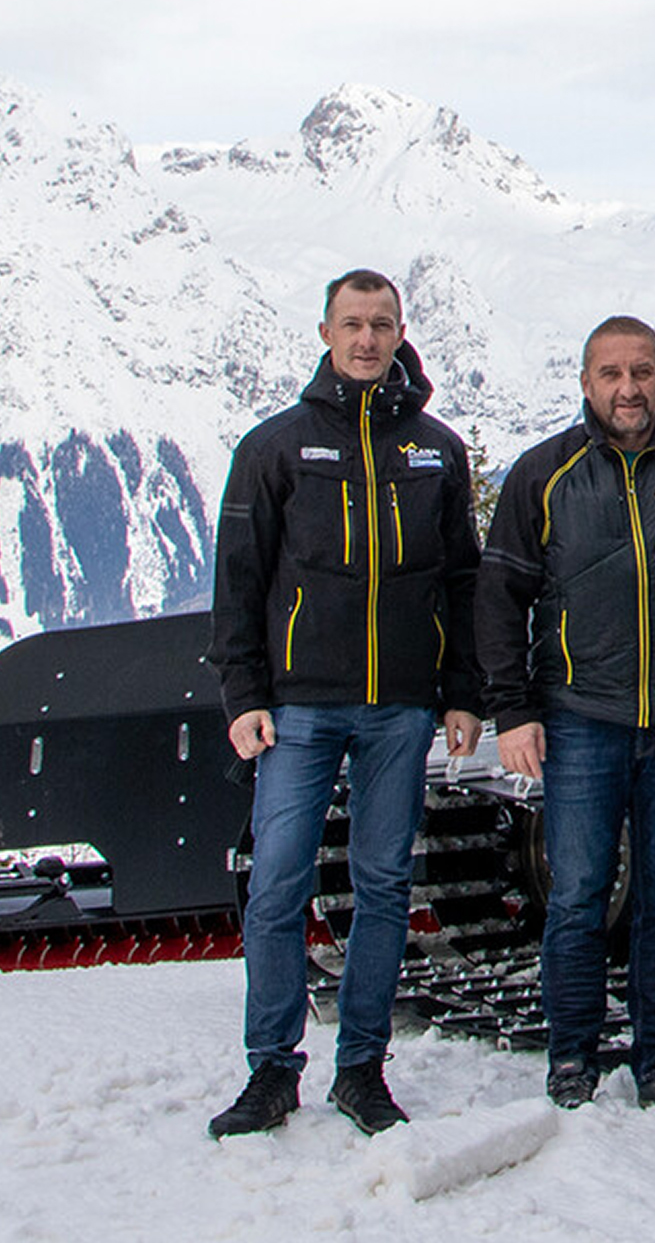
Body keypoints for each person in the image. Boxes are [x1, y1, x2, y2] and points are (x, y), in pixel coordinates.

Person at [207, 267, 482, 1139]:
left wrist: (463, 694)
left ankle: (361, 1067)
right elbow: (239, 581)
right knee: (278, 885)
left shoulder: (437, 449)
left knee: (383, 885)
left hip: (400, 706)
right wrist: (243, 693)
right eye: (353, 323)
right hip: (297, 707)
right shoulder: (277, 447)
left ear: (402, 333)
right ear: (326, 332)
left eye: (382, 324)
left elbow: (464, 581)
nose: (368, 339)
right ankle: (270, 1072)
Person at [476, 315, 655, 1116]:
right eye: (611, 374)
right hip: (579, 721)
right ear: (586, 383)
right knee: (576, 897)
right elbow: (500, 598)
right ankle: (571, 1057)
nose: (628, 388)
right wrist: (512, 711)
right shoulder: (545, 474)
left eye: (642, 371)